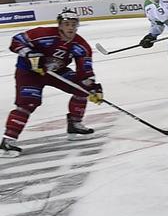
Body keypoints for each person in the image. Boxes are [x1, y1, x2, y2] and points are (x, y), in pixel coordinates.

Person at [2, 9, 103, 157]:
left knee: (83, 89)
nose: (70, 27)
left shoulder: (81, 45)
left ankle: (74, 124)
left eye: (73, 24)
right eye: (66, 24)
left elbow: (85, 71)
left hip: (56, 72)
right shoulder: (43, 34)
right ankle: (8, 141)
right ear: (60, 25)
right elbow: (16, 40)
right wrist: (29, 54)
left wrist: (93, 87)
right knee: (28, 103)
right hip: (30, 73)